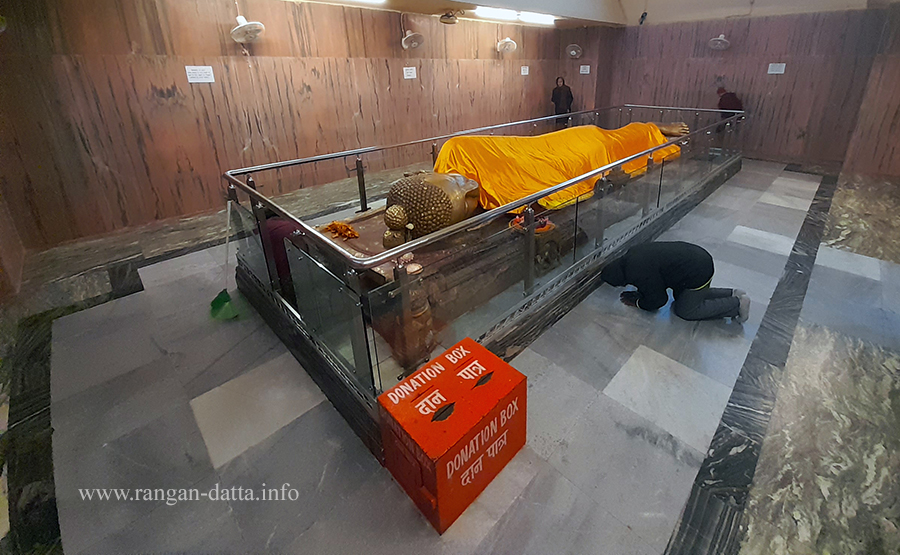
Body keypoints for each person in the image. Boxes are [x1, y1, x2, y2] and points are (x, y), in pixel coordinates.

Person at [600, 241, 750, 322]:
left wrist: (638, 303)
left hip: (697, 273)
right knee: (684, 298)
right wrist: (642, 291)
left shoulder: (636, 273)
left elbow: (658, 300)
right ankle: (732, 293)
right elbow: (655, 277)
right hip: (697, 258)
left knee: (686, 310)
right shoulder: (632, 254)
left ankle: (737, 304)